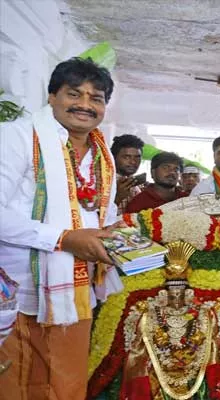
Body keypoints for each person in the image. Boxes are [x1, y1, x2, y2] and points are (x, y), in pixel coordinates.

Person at [0, 57, 124, 399]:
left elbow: (103, 212)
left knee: (66, 385)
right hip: (19, 292)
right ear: (52, 95)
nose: (85, 105)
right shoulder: (17, 137)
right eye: (74, 94)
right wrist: (63, 239)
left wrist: (119, 237)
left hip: (74, 295)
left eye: (95, 98)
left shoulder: (102, 154)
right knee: (14, 385)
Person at [111, 134, 145, 213]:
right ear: (113, 157)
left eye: (137, 157)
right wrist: (118, 197)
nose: (133, 162)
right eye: (126, 157)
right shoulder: (100, 182)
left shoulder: (137, 183)